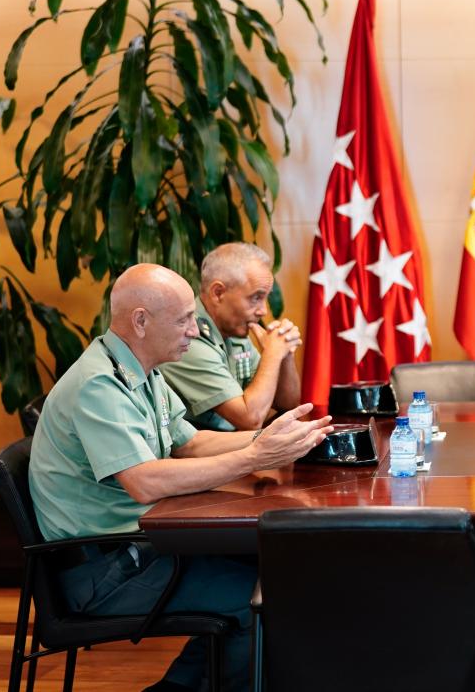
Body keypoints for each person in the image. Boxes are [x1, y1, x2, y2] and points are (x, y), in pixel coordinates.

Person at [29, 263, 333, 692]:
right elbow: (144, 482)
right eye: (184, 319)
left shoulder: (140, 369)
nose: (194, 330)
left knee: (270, 570)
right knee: (262, 601)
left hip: (135, 550)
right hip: (104, 573)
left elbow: (190, 442)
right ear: (140, 321)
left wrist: (266, 438)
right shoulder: (99, 384)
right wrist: (254, 456)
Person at [161, 243, 301, 431]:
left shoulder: (234, 329)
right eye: (256, 298)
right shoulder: (187, 338)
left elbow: (287, 404)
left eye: (265, 298)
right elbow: (250, 419)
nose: (263, 311)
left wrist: (285, 353)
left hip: (232, 444)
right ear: (218, 293)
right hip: (196, 448)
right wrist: (273, 354)